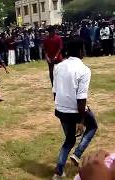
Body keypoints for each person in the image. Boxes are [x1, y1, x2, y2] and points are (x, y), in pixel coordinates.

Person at [52, 38, 97, 180]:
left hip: (60, 110)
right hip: (75, 110)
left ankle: (58, 172)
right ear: (79, 51)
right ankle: (77, 154)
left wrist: (61, 107)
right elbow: (81, 98)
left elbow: (55, 91)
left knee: (69, 140)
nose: (84, 51)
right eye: (83, 49)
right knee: (92, 126)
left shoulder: (58, 67)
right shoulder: (84, 70)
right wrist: (81, 120)